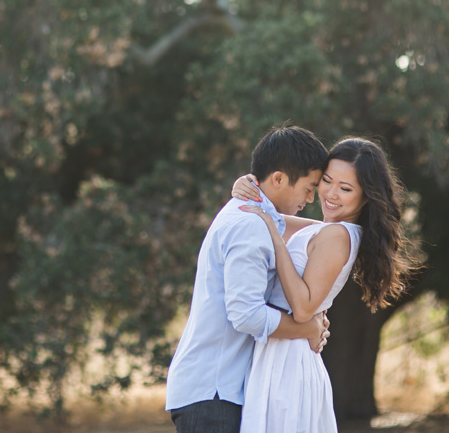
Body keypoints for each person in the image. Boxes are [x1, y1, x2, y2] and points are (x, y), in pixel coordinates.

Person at [231, 136, 418, 433]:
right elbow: (269, 217)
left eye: (345, 189)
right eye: (326, 181)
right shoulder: (329, 231)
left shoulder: (338, 236)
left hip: (287, 361)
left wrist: (277, 243)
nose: (330, 194)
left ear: (365, 196)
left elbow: (303, 309)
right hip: (281, 352)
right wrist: (246, 186)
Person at [165, 124, 333, 433]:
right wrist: (306, 327)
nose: (310, 198)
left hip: (218, 390)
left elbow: (311, 230)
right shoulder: (250, 224)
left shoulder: (258, 216)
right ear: (279, 179)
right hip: (213, 392)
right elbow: (246, 314)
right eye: (309, 188)